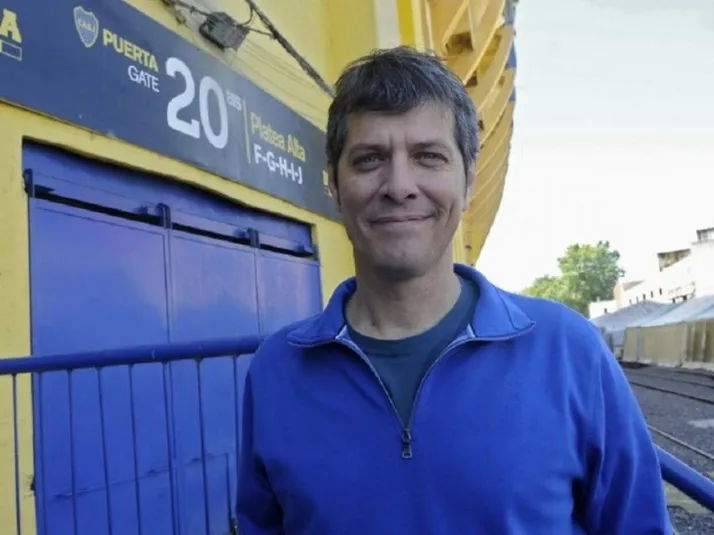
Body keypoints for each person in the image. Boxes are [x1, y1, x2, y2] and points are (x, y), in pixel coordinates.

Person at [235, 46, 671, 534]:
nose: (399, 185)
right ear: (334, 186)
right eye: (369, 159)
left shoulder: (569, 352)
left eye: (429, 157)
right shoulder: (277, 370)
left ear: (468, 181)